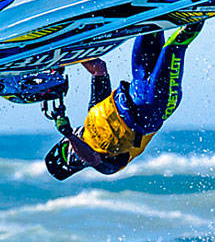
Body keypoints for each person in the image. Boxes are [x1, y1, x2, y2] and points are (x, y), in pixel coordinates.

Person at [43, 22, 204, 179]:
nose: (73, 149)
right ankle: (204, 2)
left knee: (150, 24)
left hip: (138, 83)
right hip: (154, 107)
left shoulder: (93, 113)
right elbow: (92, 158)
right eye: (72, 153)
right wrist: (69, 134)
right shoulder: (107, 167)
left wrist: (62, 56)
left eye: (68, 146)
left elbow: (99, 69)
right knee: (174, 46)